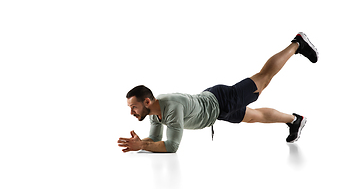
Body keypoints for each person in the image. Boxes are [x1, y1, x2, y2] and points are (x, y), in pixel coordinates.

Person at [118, 32, 318, 153]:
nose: (131, 113)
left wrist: (142, 146)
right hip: (216, 111)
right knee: (254, 116)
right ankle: (295, 120)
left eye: (133, 107)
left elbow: (171, 146)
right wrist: (140, 142)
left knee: (263, 78)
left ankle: (298, 43)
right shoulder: (154, 112)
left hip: (222, 100)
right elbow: (154, 140)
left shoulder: (171, 107)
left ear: (146, 102)